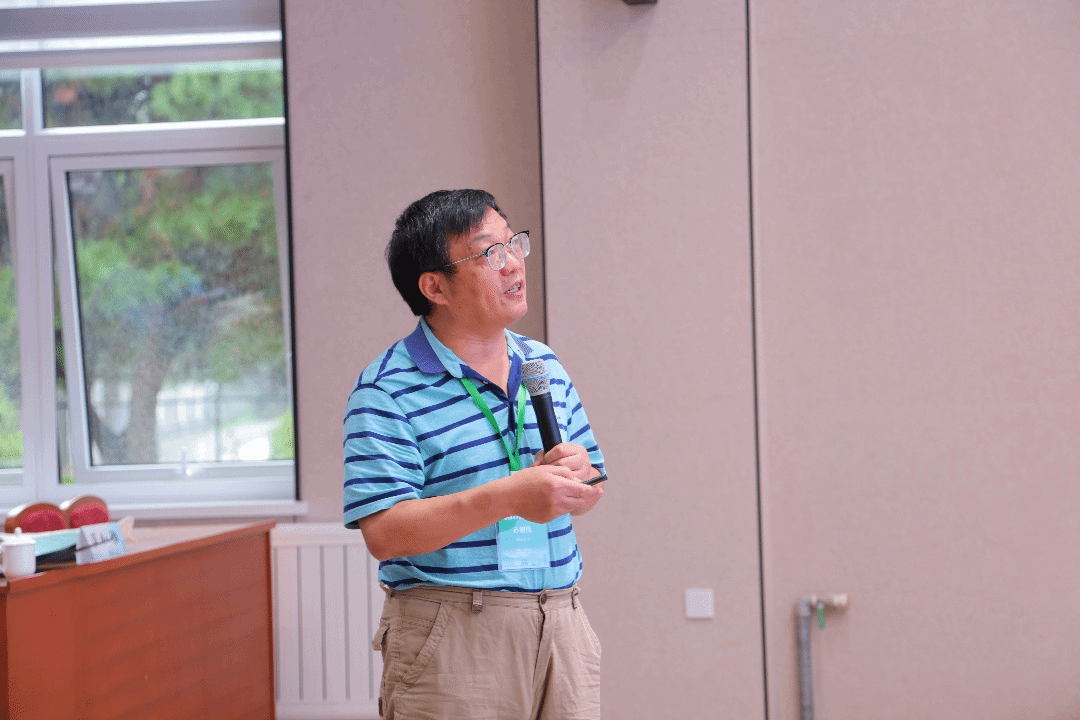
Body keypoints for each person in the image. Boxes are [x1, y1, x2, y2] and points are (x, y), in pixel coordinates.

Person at [343, 189, 607, 720]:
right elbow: (384, 533)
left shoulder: (542, 364)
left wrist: (581, 480)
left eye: (514, 243)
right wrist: (509, 496)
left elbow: (592, 487)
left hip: (561, 621)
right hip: (456, 632)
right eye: (490, 252)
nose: (513, 263)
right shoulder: (386, 389)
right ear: (435, 286)